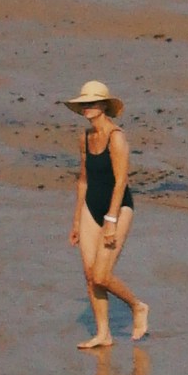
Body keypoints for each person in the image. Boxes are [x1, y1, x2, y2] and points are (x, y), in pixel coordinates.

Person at [70, 79, 144, 345]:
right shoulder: (85, 137)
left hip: (119, 207)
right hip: (91, 206)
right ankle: (103, 334)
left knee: (102, 275)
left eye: (91, 103)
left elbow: (121, 180)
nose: (87, 108)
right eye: (83, 104)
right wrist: (77, 220)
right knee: (90, 276)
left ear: (103, 105)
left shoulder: (116, 136)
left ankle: (137, 306)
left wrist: (111, 220)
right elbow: (83, 180)